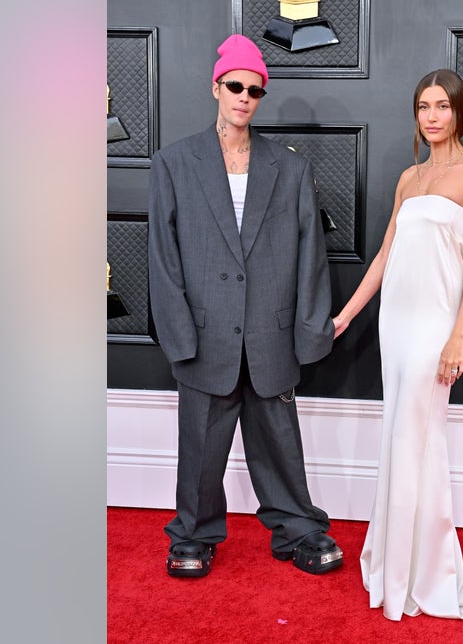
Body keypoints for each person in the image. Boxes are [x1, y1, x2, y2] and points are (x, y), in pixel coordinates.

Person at [147, 34, 342, 578]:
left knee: (280, 443)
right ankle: (193, 534)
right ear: (216, 87)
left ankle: (299, 530)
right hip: (204, 332)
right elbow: (163, 259)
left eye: (254, 91)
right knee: (201, 450)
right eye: (235, 86)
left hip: (270, 332)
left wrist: (309, 330)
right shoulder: (174, 163)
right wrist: (178, 334)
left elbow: (311, 256)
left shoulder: (290, 168)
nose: (243, 98)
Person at [332, 69, 463, 619]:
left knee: (419, 438)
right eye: (424, 106)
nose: (432, 116)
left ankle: (424, 572)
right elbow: (385, 256)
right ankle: (401, 563)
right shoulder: (409, 179)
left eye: (442, 106)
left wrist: (459, 335)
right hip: (396, 323)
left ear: (459, 112)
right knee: (401, 439)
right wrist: (345, 316)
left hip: (436, 324)